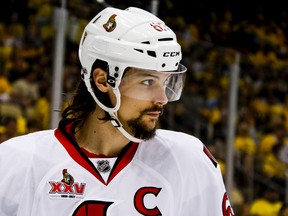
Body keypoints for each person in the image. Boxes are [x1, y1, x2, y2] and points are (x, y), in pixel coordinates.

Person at [0, 6, 233, 215]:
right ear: (103, 81)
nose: (162, 98)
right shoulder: (17, 162)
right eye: (148, 82)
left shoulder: (188, 160)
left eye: (166, 82)